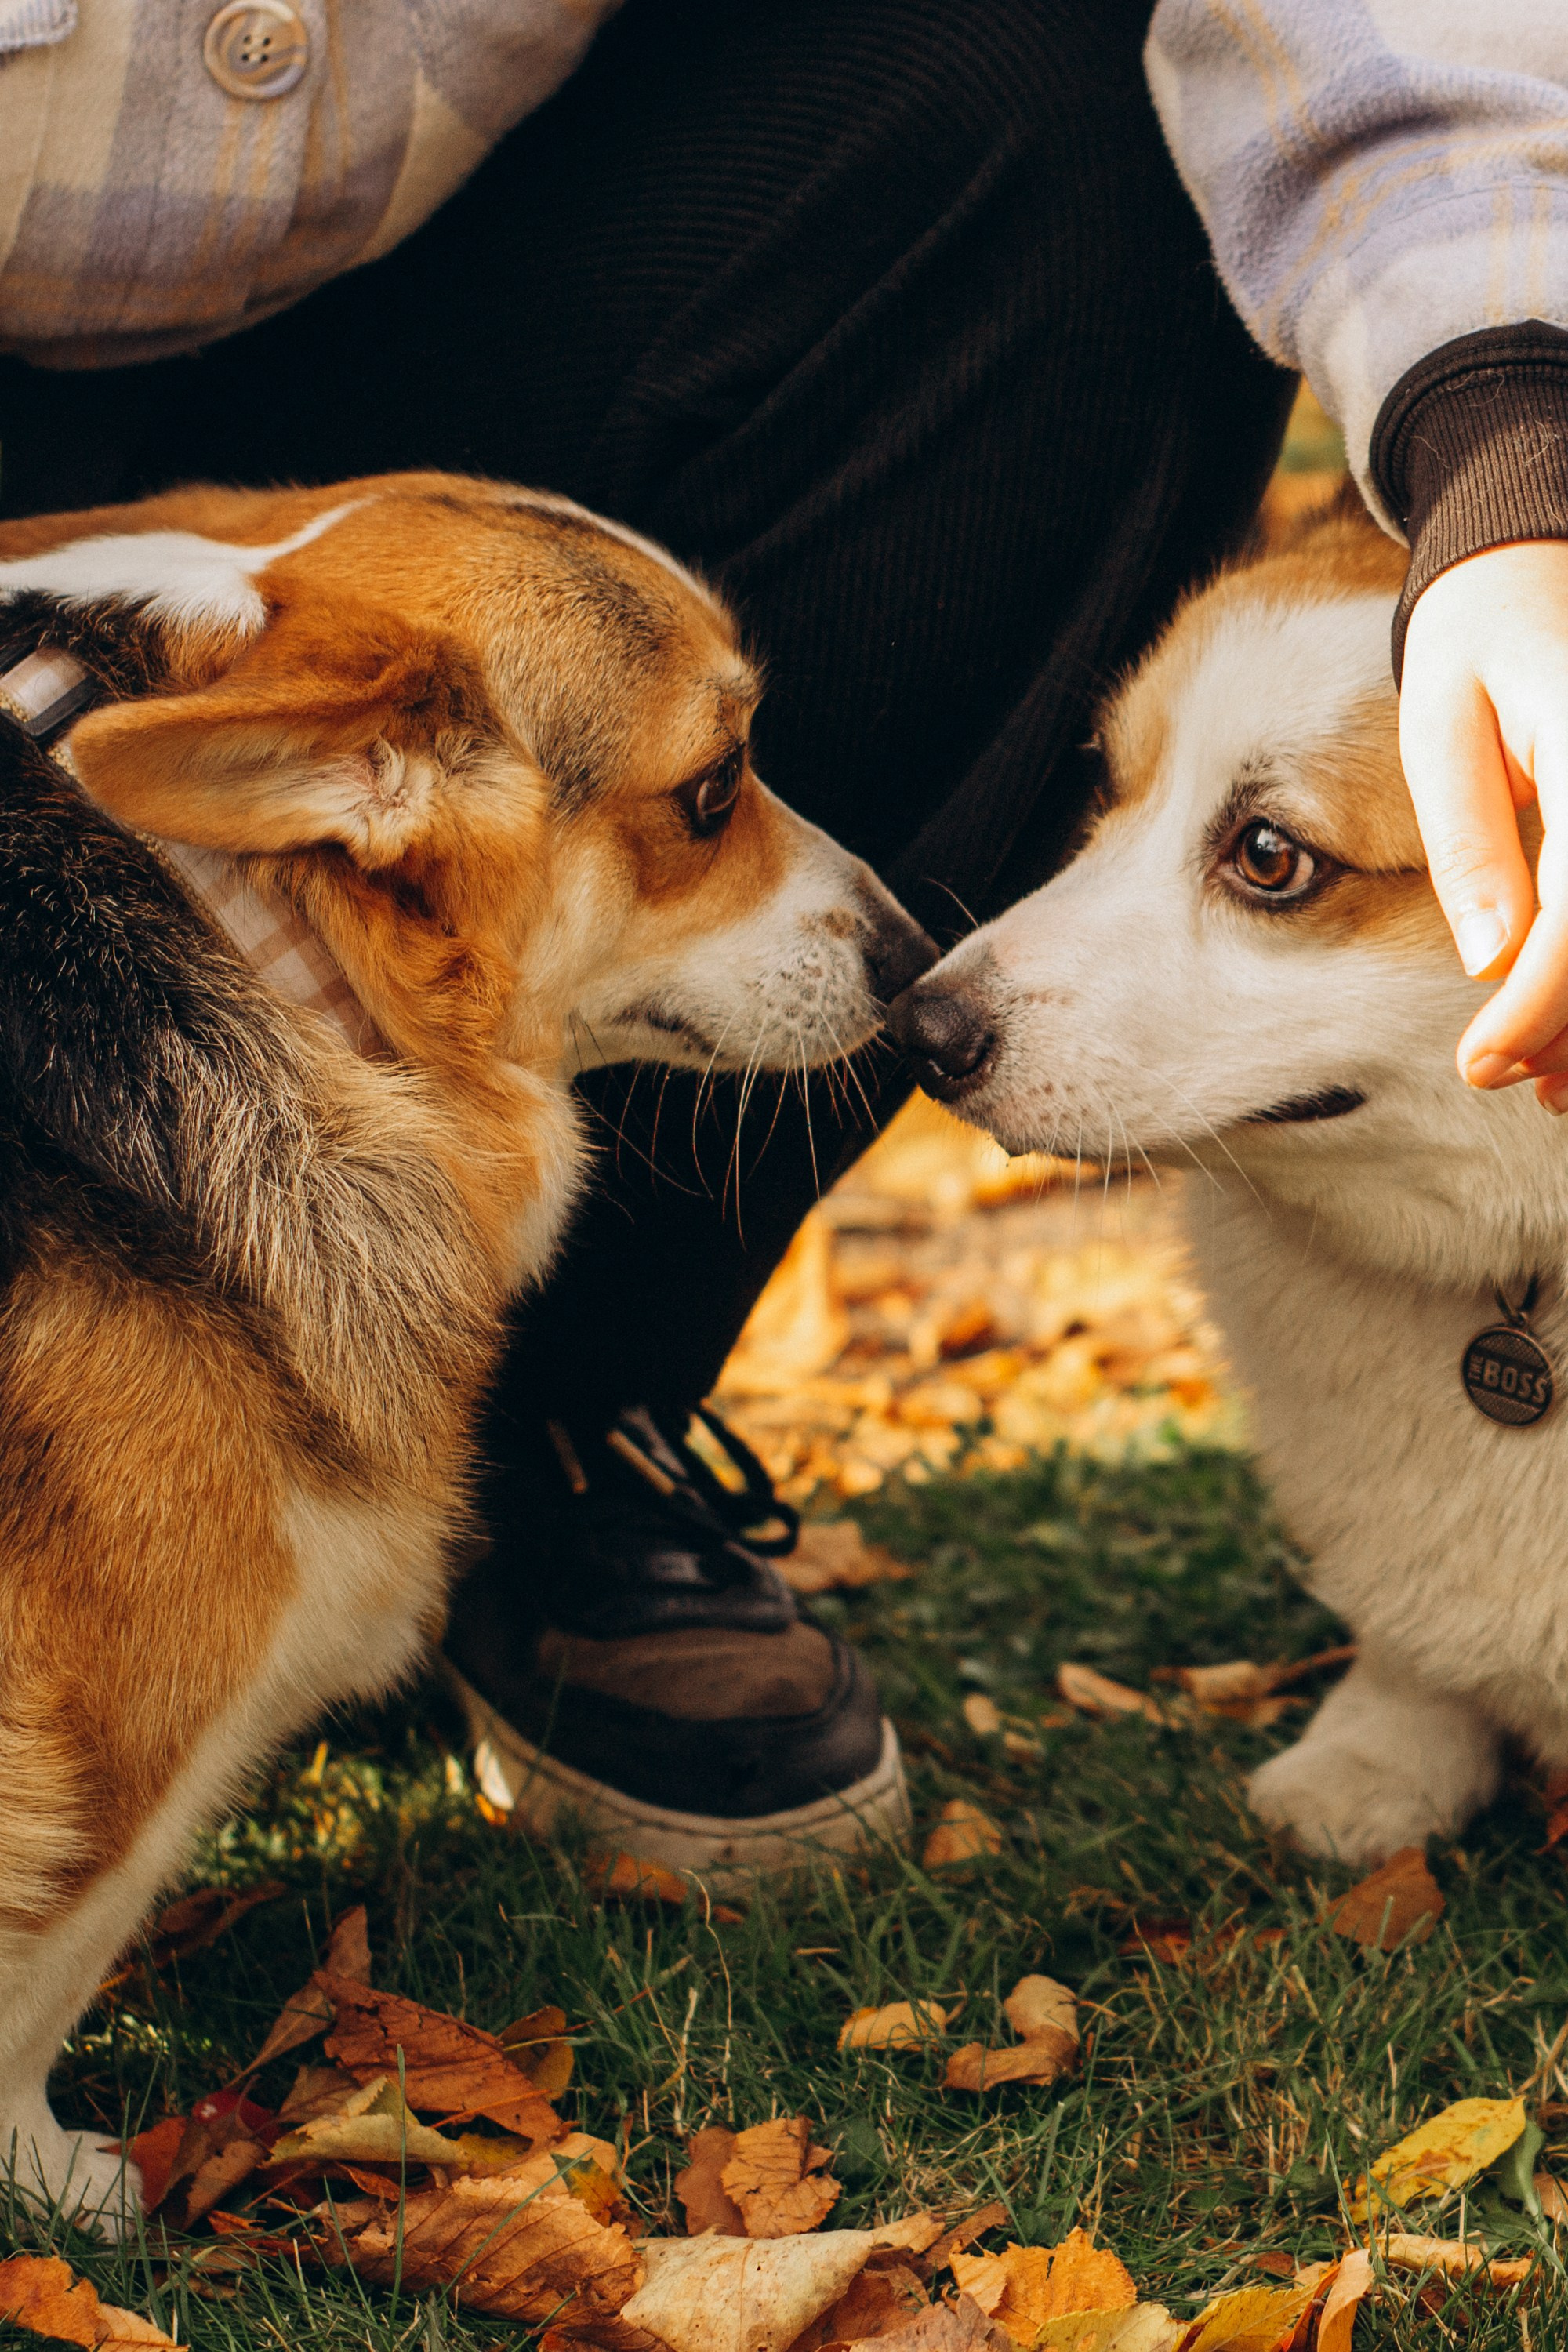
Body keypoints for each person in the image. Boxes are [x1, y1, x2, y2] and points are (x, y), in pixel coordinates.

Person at [3, 0, 1567, 1865]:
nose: (945, 976)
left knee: (1064, 110)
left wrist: (1507, 454)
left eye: (1270, 862)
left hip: (466, 254)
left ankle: (564, 1427)